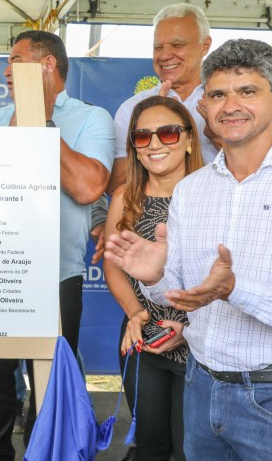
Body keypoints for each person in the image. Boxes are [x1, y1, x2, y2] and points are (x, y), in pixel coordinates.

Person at [105, 39, 272, 460]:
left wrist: (237, 289)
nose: (231, 105)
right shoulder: (192, 190)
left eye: (247, 91)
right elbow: (183, 295)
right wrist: (157, 277)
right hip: (200, 387)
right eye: (218, 94)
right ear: (205, 104)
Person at [0, 30, 115, 460]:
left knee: (49, 389)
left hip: (57, 276)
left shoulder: (91, 119)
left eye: (15, 60)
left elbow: (88, 187)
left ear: (47, 65)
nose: (5, 70)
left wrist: (40, 123)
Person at [103, 96, 203, 461]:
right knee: (151, 447)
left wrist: (189, 326)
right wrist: (135, 313)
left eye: (168, 132)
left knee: (191, 451)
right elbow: (113, 266)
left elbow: (224, 275)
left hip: (200, 346)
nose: (155, 143)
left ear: (189, 139)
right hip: (142, 338)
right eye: (142, 136)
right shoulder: (124, 198)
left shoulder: (212, 196)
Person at [107, 3, 219, 195]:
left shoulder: (226, 103)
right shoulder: (132, 108)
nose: (165, 55)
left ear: (205, 46)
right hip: (151, 211)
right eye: (158, 47)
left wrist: (217, 136)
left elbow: (257, 172)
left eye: (177, 45)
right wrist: (152, 129)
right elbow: (115, 186)